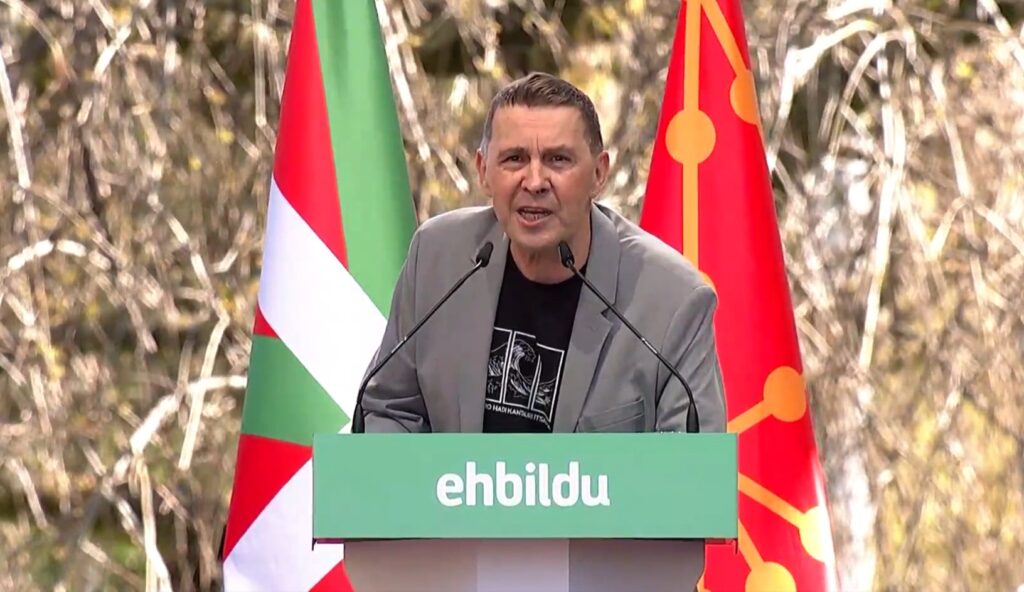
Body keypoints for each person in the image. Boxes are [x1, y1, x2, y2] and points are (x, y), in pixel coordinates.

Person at [353, 72, 726, 434]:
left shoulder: (672, 300)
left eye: (558, 159)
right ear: (483, 171)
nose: (534, 182)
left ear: (599, 174)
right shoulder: (438, 257)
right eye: (514, 159)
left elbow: (693, 460)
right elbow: (388, 408)